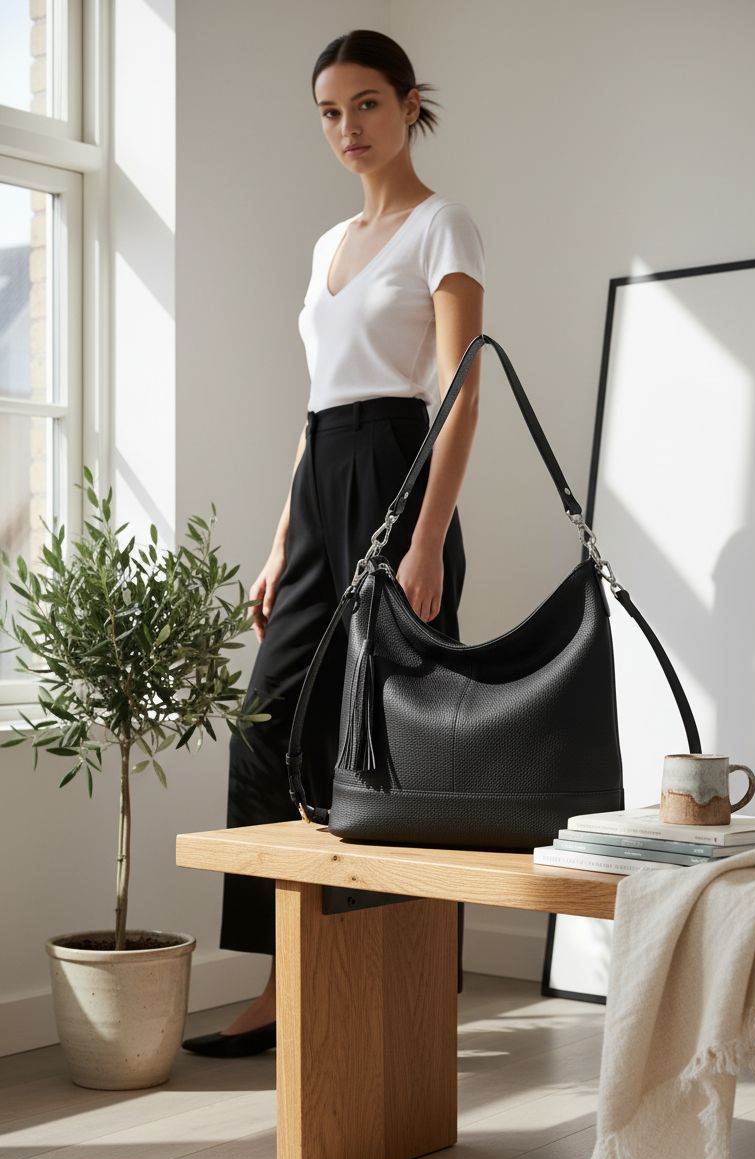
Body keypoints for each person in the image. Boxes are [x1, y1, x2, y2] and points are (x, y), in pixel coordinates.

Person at [183, 29, 484, 1058]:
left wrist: (429, 536)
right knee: (268, 725)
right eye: (327, 111)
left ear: (407, 104)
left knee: (385, 741)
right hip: (321, 482)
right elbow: (314, 412)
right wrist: (280, 546)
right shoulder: (325, 246)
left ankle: (389, 982)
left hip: (401, 473)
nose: (345, 127)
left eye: (364, 104)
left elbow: (459, 390)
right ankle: (283, 979)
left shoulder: (444, 226)